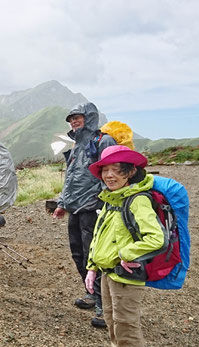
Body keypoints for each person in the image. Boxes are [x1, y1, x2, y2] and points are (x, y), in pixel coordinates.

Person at [84, 145, 164, 347]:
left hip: (127, 275)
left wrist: (126, 254)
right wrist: (92, 268)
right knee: (112, 322)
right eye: (105, 170)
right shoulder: (112, 198)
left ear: (129, 172)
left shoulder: (137, 199)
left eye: (116, 170)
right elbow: (99, 236)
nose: (109, 175)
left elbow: (156, 238)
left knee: (127, 326)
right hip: (109, 272)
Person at [52, 102, 116, 328]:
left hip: (93, 207)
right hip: (75, 208)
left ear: (89, 117)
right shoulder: (77, 144)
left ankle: (103, 305)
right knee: (78, 253)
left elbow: (113, 175)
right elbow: (70, 178)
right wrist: (62, 203)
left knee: (95, 257)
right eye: (70, 119)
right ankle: (91, 292)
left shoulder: (103, 141)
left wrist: (106, 203)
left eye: (77, 117)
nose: (73, 122)